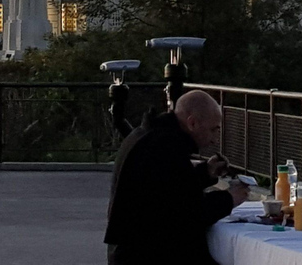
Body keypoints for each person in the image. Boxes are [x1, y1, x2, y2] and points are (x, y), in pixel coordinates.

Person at [105, 90, 249, 265]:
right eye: (213, 130)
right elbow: (186, 215)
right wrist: (229, 199)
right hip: (147, 254)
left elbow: (169, 189)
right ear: (193, 123)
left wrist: (206, 172)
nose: (214, 140)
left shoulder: (147, 135)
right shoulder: (166, 148)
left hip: (129, 250)